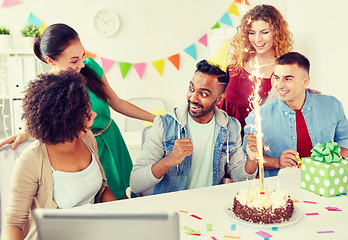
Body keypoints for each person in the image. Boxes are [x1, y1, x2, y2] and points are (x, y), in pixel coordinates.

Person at [0, 23, 156, 199]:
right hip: (84, 151)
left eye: (82, 56)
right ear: (51, 60)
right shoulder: (44, 89)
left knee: (125, 196)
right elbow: (38, 124)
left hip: (111, 140)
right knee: (97, 201)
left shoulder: (90, 69)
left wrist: (156, 119)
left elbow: (117, 102)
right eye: (74, 61)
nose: (81, 64)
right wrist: (24, 134)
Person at [1, 71, 116, 240]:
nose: (94, 115)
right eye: (85, 113)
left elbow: (101, 190)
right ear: (65, 120)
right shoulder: (32, 160)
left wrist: (124, 214)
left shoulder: (88, 138)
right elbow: (14, 223)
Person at [130, 60, 258, 195]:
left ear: (220, 99)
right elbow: (136, 183)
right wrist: (169, 160)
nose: (193, 98)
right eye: (191, 89)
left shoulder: (231, 127)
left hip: (207, 204)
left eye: (203, 94)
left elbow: (241, 179)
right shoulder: (164, 124)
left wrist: (252, 160)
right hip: (171, 208)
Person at [243, 52, 348, 177]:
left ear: (305, 81)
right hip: (282, 190)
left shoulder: (331, 105)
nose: (279, 85)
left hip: (325, 184)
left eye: (288, 79)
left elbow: (346, 139)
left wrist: (335, 162)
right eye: (277, 78)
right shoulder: (258, 116)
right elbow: (249, 159)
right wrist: (277, 162)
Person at [217, 4, 293, 136]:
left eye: (264, 32)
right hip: (222, 133)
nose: (257, 39)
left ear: (277, 32)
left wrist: (304, 93)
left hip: (253, 139)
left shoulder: (282, 69)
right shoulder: (236, 62)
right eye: (252, 33)